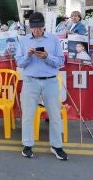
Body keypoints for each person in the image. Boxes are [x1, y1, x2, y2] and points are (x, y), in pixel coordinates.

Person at [15, 12, 68, 160]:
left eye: (39, 27)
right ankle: (27, 145)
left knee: (55, 115)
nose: (37, 30)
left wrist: (47, 57)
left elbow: (61, 62)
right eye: (34, 27)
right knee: (28, 115)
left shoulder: (54, 39)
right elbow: (19, 63)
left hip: (50, 81)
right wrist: (28, 56)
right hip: (30, 81)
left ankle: (56, 146)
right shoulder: (24, 40)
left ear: (44, 26)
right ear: (30, 27)